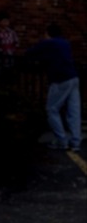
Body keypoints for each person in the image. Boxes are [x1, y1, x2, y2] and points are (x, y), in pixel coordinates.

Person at [26, 24, 81, 152]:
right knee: (74, 111)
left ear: (48, 34)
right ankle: (75, 141)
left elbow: (31, 52)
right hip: (73, 77)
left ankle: (62, 140)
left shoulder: (50, 43)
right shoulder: (65, 43)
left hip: (60, 79)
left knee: (51, 109)